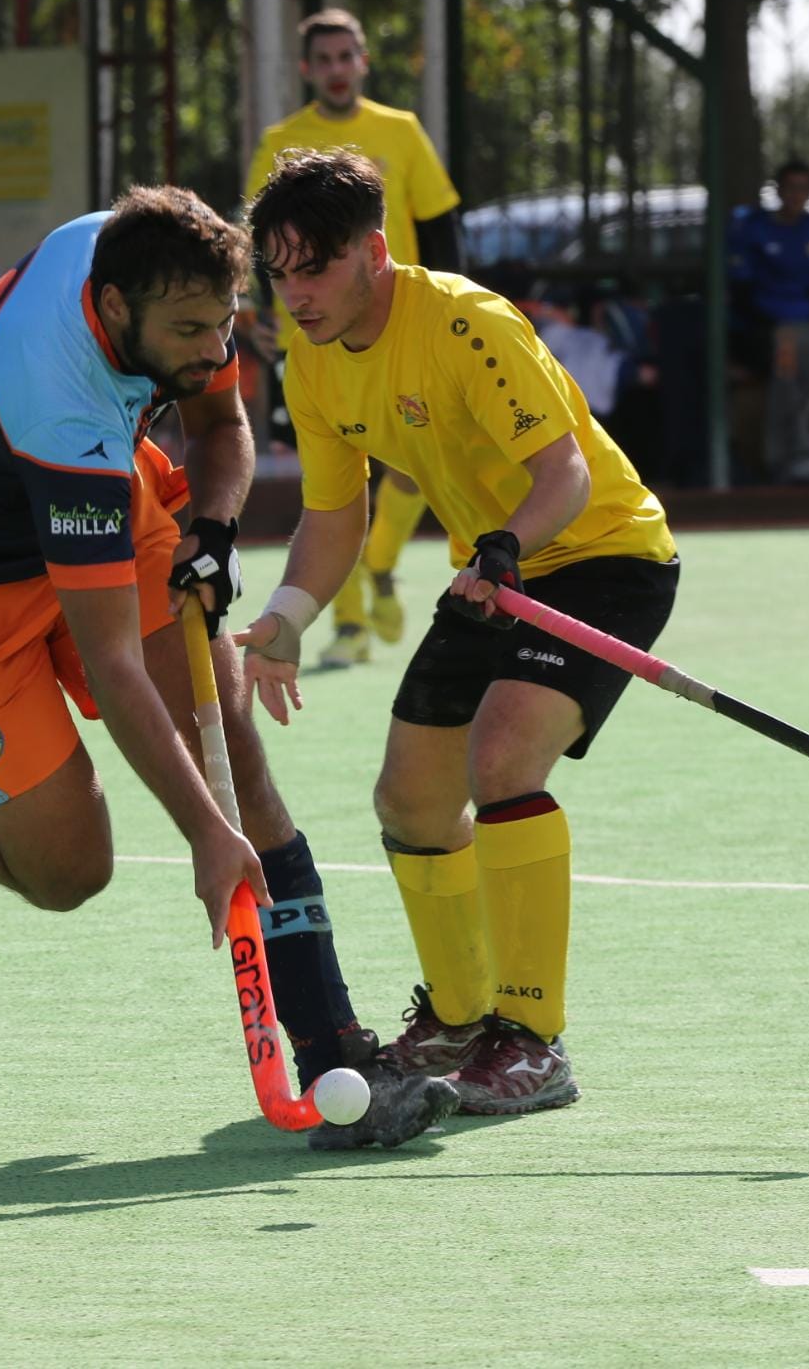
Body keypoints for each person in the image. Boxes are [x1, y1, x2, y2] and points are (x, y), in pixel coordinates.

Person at [0, 186, 458, 1150]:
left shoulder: (174, 269)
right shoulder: (63, 396)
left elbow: (220, 427)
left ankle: (341, 1059)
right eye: (191, 333)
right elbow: (117, 666)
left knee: (235, 751)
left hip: (97, 499)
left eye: (225, 324)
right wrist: (205, 835)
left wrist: (213, 529)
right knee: (66, 871)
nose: (214, 349)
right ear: (116, 309)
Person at [238, 150, 678, 1115]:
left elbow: (563, 473)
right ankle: (459, 1015)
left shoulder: (466, 322)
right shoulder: (310, 360)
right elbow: (334, 514)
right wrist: (288, 615)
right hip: (491, 571)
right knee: (410, 800)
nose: (296, 295)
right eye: (279, 273)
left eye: (315, 269)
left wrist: (506, 547)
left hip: (601, 554)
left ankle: (531, 1041)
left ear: (373, 253)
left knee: (503, 760)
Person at [245, 8, 462, 670]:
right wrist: (256, 311)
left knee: (421, 464)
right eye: (324, 59)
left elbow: (441, 226)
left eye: (347, 56)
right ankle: (348, 625)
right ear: (306, 69)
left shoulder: (401, 130)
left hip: (407, 329)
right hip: (313, 339)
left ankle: (381, 561)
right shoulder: (282, 141)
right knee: (335, 485)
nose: (337, 69)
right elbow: (259, 240)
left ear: (363, 62)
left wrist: (455, 306)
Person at [727, 159, 809, 484]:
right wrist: (773, 327)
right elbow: (742, 291)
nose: (796, 195)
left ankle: (802, 453)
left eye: (803, 188)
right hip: (765, 330)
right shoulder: (754, 228)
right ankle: (785, 457)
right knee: (788, 360)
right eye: (790, 187)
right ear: (778, 190)